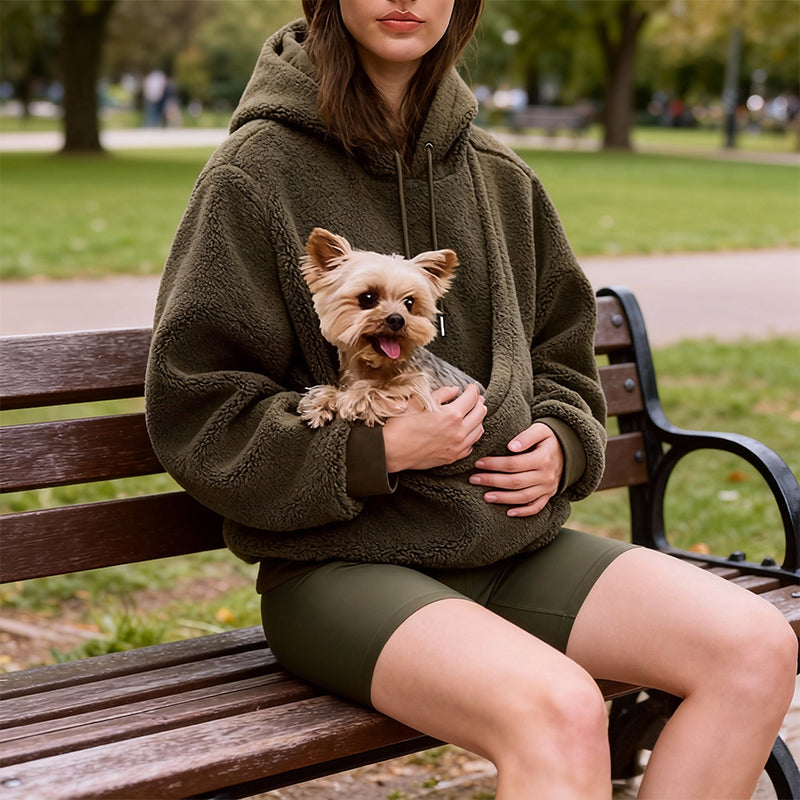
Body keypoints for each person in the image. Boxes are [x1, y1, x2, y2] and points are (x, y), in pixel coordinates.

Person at [144, 2, 797, 797]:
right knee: (559, 708)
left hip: (511, 549)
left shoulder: (500, 176)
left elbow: (564, 355)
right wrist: (372, 450)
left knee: (756, 648)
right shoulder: (255, 174)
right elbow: (197, 408)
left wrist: (564, 441)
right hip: (339, 568)